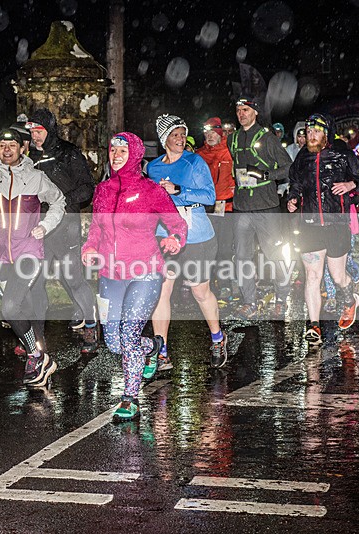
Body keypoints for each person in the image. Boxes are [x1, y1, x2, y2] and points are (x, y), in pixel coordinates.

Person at [81, 131, 187, 422]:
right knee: (114, 342)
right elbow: (96, 228)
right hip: (110, 274)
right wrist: (90, 246)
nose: (115, 156)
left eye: (122, 151)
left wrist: (175, 239)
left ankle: (130, 398)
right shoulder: (102, 190)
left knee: (128, 336)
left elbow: (177, 223)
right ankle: (153, 346)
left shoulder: (151, 191)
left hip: (145, 272)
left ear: (136, 156)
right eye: (112, 150)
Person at [0, 128, 66, 387]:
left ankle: (36, 354)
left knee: (9, 307)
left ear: (22, 148)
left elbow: (58, 202)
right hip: (2, 254)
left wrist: (45, 226)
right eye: (2, 145)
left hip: (29, 251)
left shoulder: (36, 178)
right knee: (22, 305)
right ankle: (39, 355)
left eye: (12, 145)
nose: (7, 150)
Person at [147, 115, 227, 370]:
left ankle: (217, 338)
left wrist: (179, 190)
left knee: (199, 291)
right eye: (174, 135)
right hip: (164, 235)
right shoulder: (153, 168)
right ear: (164, 140)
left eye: (182, 134)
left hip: (196, 236)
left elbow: (209, 196)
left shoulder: (195, 162)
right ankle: (162, 351)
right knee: (162, 291)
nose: (181, 139)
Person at [286, 113, 359, 345]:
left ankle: (349, 300)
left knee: (337, 276)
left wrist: (350, 185)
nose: (310, 135)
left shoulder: (342, 154)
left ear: (326, 134)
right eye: (308, 131)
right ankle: (313, 326)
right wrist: (293, 198)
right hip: (310, 226)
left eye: (316, 131)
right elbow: (295, 182)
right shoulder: (303, 158)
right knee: (312, 276)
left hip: (336, 224)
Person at [26, 108, 98, 353]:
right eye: (32, 131)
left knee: (73, 278)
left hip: (66, 225)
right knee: (35, 281)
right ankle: (35, 338)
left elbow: (87, 188)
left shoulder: (68, 153)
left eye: (39, 131)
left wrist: (61, 202)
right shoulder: (28, 157)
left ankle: (90, 325)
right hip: (38, 227)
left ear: (49, 130)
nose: (35, 136)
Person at [227, 95, 293, 319]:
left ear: (255, 112)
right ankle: (249, 302)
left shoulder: (267, 138)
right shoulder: (233, 139)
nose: (241, 114)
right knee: (242, 256)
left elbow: (287, 168)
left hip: (266, 207)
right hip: (242, 207)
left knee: (274, 254)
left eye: (246, 110)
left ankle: (282, 297)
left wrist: (266, 175)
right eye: (238, 110)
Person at [195, 117, 236, 303]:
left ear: (220, 133)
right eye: (207, 132)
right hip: (205, 208)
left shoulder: (230, 152)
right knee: (205, 248)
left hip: (225, 206)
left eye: (213, 132)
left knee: (225, 248)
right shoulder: (199, 154)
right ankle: (205, 284)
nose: (210, 136)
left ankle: (225, 284)